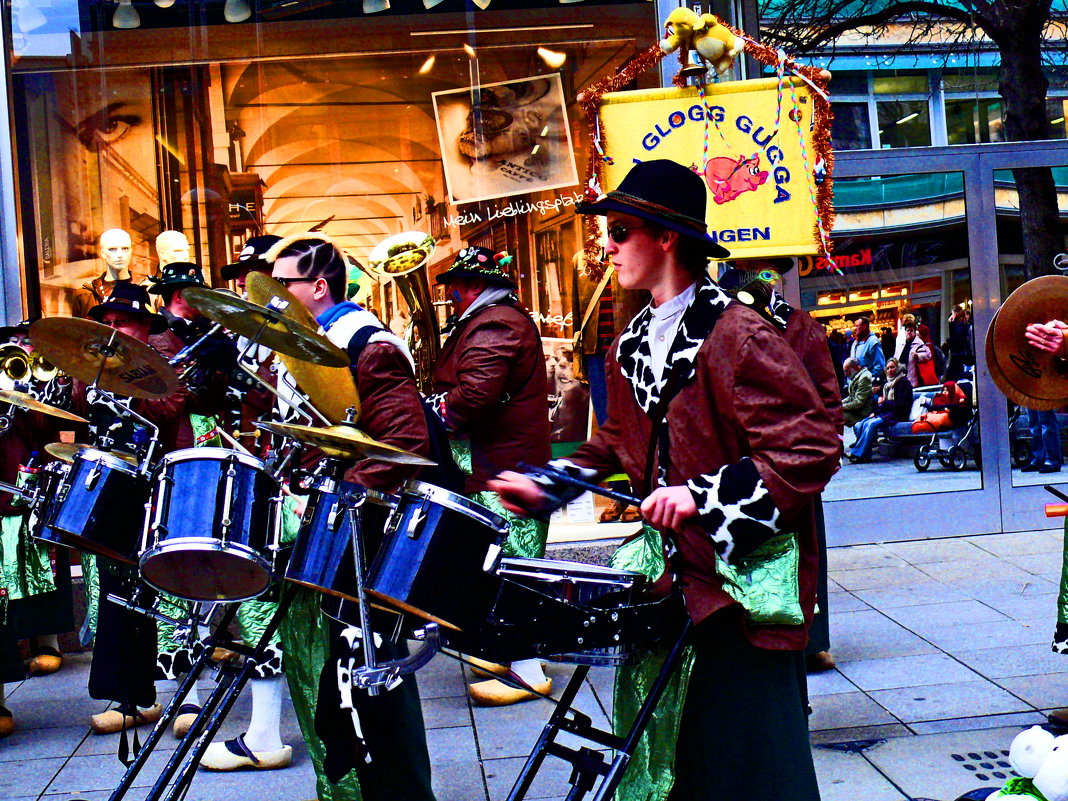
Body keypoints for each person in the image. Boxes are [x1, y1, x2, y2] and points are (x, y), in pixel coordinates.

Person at [491, 159, 840, 801]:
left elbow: (811, 448)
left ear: (666, 237)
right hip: (666, 583)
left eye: (621, 231)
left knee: (746, 762)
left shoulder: (738, 333)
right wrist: (550, 483)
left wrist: (704, 499)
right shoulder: (631, 342)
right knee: (666, 757)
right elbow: (619, 443)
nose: (608, 245)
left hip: (737, 589)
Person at [267, 233, 436, 801]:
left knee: (366, 684)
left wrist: (334, 505)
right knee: (318, 672)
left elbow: (403, 442)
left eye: (284, 283)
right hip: (325, 536)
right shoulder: (310, 342)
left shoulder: (368, 344)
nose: (275, 294)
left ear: (317, 286)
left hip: (355, 541)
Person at [430, 245, 553, 706]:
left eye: (455, 288)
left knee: (516, 568)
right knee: (499, 564)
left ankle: (527, 670)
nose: (451, 297)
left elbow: (477, 395)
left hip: (504, 468)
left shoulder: (496, 322)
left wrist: (433, 411)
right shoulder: (491, 319)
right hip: (498, 465)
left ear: (475, 286)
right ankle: (508, 651)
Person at [0, 319, 74, 738]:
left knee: (39, 570)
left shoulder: (34, 388)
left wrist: (34, 397)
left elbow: (51, 431)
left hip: (25, 490)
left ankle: (48, 641)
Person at [847, 357, 913, 463]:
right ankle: (866, 454)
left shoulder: (903, 382)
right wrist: (876, 412)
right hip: (885, 412)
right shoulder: (887, 384)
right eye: (888, 368)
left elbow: (902, 404)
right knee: (860, 424)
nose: (890, 370)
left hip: (897, 414)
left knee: (871, 424)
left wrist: (883, 403)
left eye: (892, 367)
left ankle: (858, 453)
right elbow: (884, 405)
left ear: (898, 367)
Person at [907, 323, 945, 387]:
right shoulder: (927, 345)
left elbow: (928, 362)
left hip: (925, 379)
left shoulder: (927, 347)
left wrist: (917, 356)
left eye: (918, 335)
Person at [850, 315, 885, 384]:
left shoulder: (873, 342)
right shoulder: (855, 342)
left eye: (857, 326)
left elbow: (880, 364)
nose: (855, 328)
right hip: (857, 381)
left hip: (868, 383)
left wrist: (869, 378)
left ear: (864, 326)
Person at [841, 357, 875, 427]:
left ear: (853, 367)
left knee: (836, 416)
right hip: (855, 410)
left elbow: (858, 402)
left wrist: (841, 407)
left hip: (861, 413)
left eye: (846, 371)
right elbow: (851, 397)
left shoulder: (864, 378)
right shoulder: (857, 376)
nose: (845, 374)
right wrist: (839, 403)